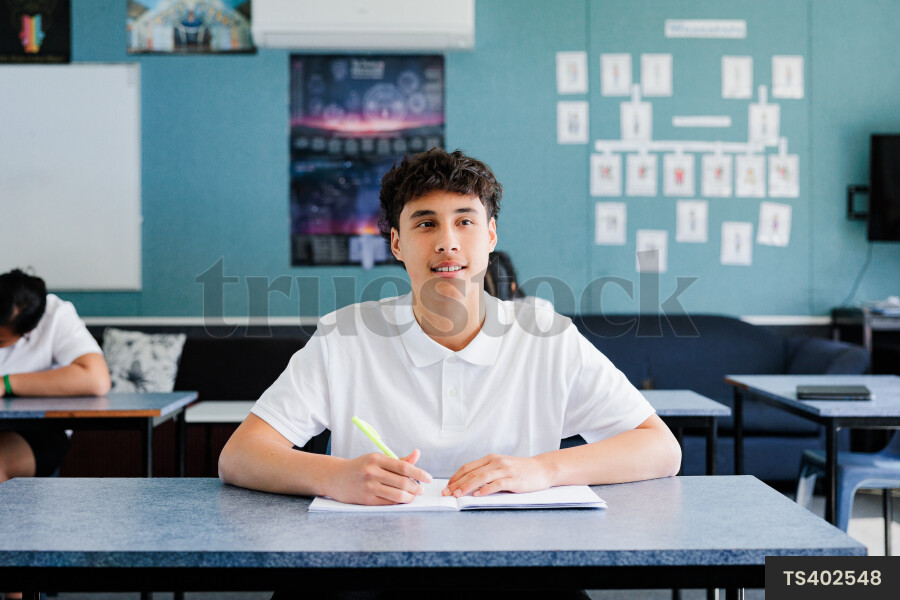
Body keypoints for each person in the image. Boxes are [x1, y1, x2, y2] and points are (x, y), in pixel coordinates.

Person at [219, 148, 681, 598]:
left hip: (514, 566)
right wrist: (332, 476)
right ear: (396, 242)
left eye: (465, 221)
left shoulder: (548, 336)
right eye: (425, 223)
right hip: (367, 565)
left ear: (491, 235)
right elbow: (240, 456)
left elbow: (660, 447)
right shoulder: (345, 335)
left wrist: (543, 469)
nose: (447, 241)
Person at [0, 269, 111, 484]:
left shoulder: (55, 315)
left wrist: (6, 383)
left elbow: (96, 379)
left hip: (39, 429)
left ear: (28, 332)